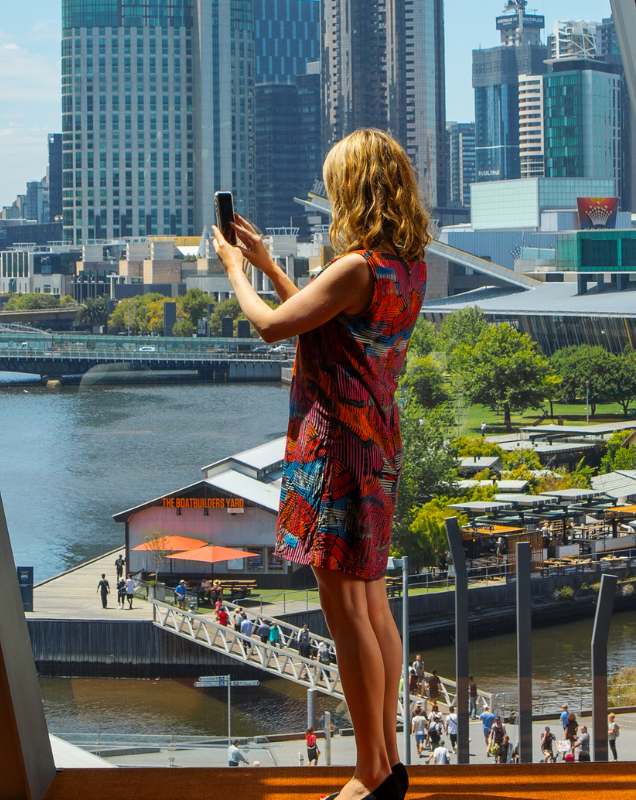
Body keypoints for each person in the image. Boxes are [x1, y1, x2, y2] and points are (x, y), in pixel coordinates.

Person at [209, 129, 431, 800]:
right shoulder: (405, 265)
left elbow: (274, 328)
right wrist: (274, 265)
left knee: (344, 609)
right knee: (372, 601)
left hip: (334, 444)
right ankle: (387, 759)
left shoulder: (356, 266)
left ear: (354, 189)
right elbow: (323, 320)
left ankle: (368, 771)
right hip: (377, 441)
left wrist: (236, 273)